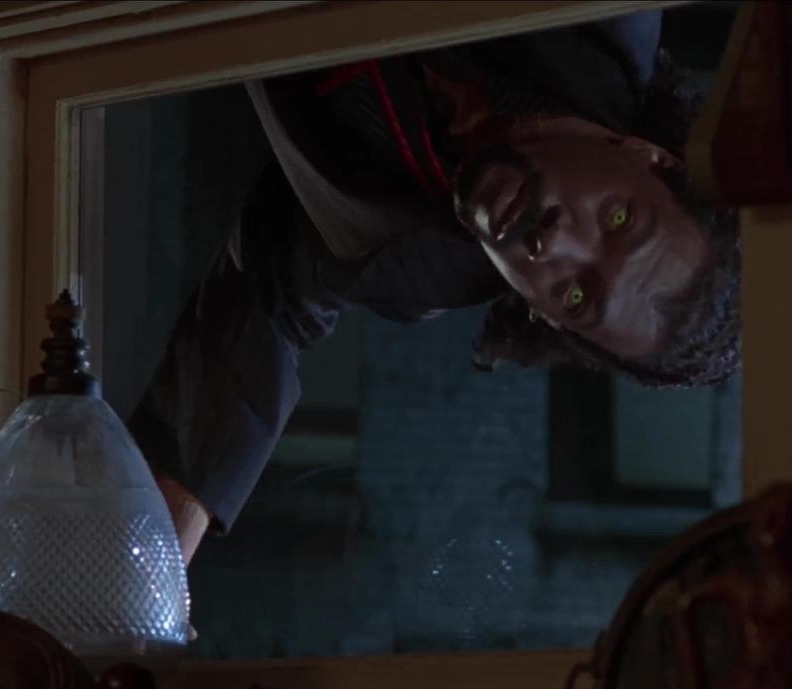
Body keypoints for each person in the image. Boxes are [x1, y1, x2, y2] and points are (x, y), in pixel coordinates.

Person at [128, 10, 741, 563]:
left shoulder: (415, 271)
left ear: (545, 315)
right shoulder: (600, 22)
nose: (556, 242)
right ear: (648, 156)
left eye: (577, 297)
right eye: (618, 219)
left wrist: (156, 567)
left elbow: (271, 295)